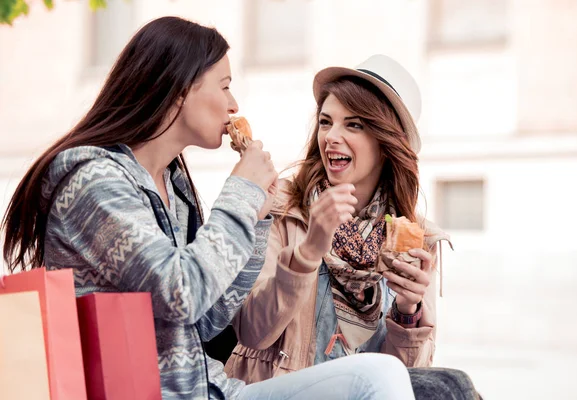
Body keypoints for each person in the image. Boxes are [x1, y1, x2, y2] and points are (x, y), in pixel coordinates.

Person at [1, 18, 415, 400]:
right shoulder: (94, 180)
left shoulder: (173, 186)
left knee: (400, 380)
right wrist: (240, 195)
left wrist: (255, 220)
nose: (234, 104)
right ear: (181, 89)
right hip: (152, 392)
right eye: (224, 85)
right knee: (377, 379)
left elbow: (208, 320)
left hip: (211, 390)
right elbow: (182, 294)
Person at [224, 55, 480, 399]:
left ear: (387, 143)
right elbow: (252, 331)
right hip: (278, 390)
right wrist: (309, 249)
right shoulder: (280, 205)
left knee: (453, 387)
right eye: (326, 122)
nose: (332, 137)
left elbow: (404, 379)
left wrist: (407, 313)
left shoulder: (414, 236)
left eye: (354, 125)